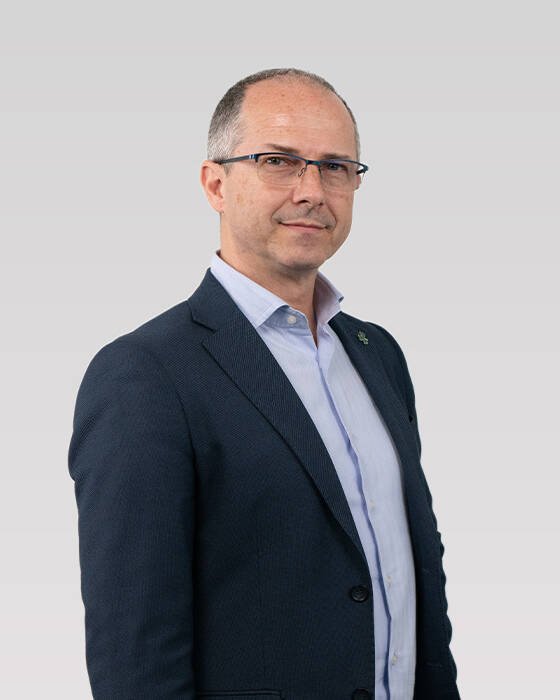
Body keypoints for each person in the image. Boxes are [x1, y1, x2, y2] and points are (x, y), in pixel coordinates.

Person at [68, 68, 460, 700]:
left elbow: (414, 581)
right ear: (215, 183)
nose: (312, 190)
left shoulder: (377, 354)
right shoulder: (146, 375)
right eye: (278, 161)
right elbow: (134, 655)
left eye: (336, 167)